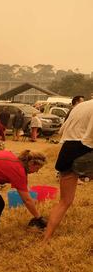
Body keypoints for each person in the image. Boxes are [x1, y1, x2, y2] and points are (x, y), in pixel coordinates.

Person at [44, 99, 93, 240]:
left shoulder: (81, 106)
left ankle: (46, 238)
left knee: (65, 201)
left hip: (66, 153)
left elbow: (62, 129)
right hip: (83, 152)